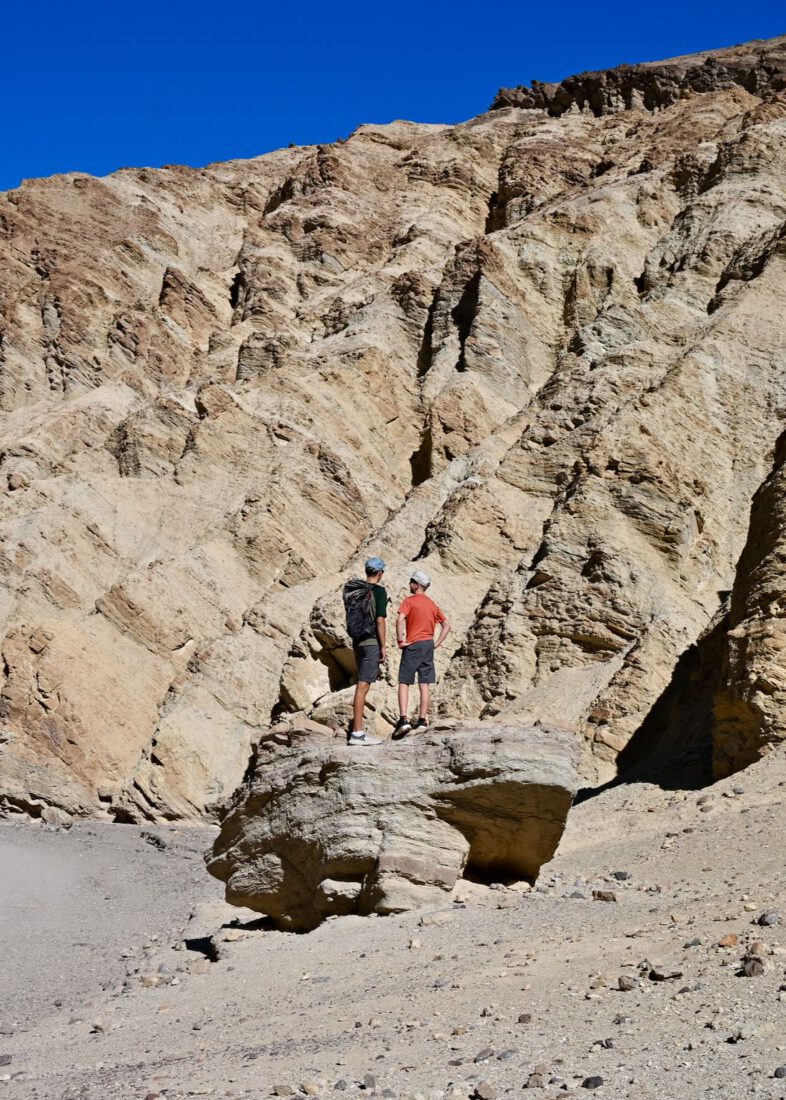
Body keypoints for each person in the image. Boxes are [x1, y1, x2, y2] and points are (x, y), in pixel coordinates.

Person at [393, 569, 451, 738]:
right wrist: (436, 644)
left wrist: (400, 640)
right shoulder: (432, 604)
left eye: (411, 581)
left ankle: (403, 720)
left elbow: (399, 620)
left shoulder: (409, 601)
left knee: (404, 681)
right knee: (424, 684)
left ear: (416, 584)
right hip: (428, 645)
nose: (409, 584)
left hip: (413, 645)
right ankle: (422, 721)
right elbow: (447, 625)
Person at [348, 556, 388, 746]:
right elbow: (380, 620)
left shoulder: (356, 590)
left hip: (357, 641)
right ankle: (357, 734)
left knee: (361, 683)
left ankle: (358, 731)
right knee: (363, 686)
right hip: (371, 642)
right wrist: (383, 646)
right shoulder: (379, 592)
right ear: (379, 573)